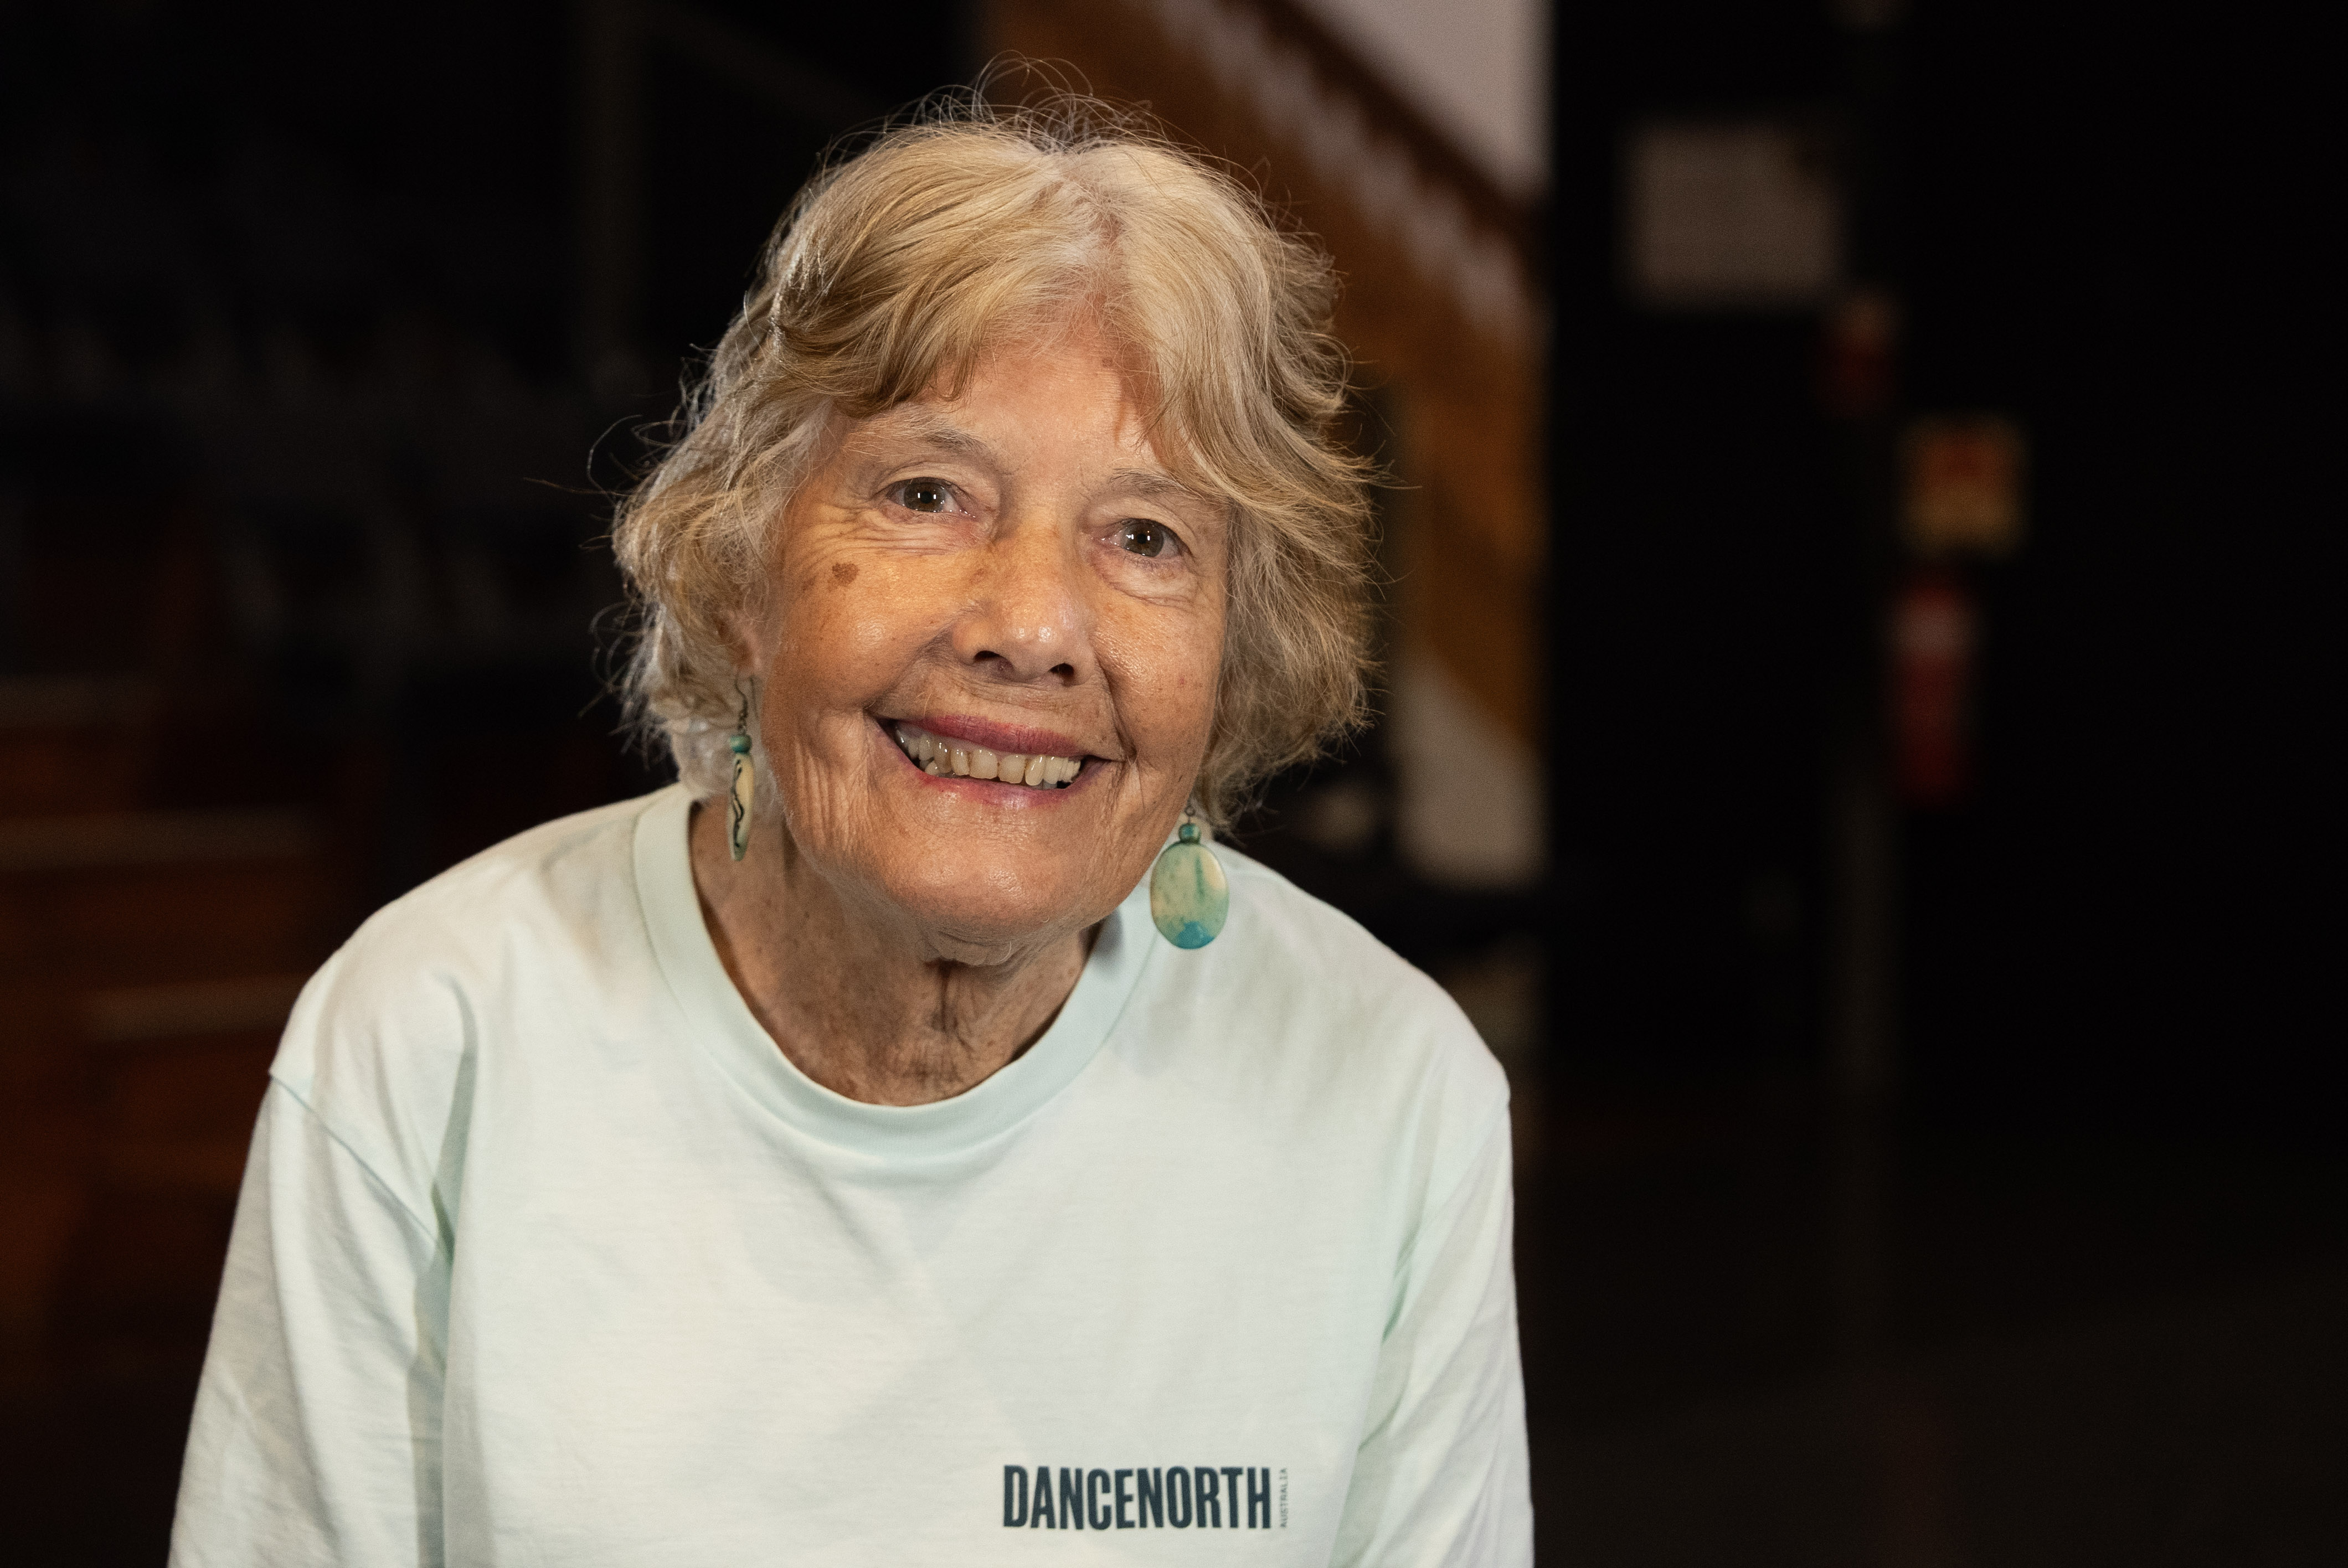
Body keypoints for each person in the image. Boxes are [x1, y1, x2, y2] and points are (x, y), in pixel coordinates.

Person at [171, 98, 1531, 1565]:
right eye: (927, 494)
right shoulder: (432, 1038)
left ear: (1233, 651)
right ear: (741, 576)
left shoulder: (1393, 1095)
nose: (1031, 627)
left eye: (1147, 536)